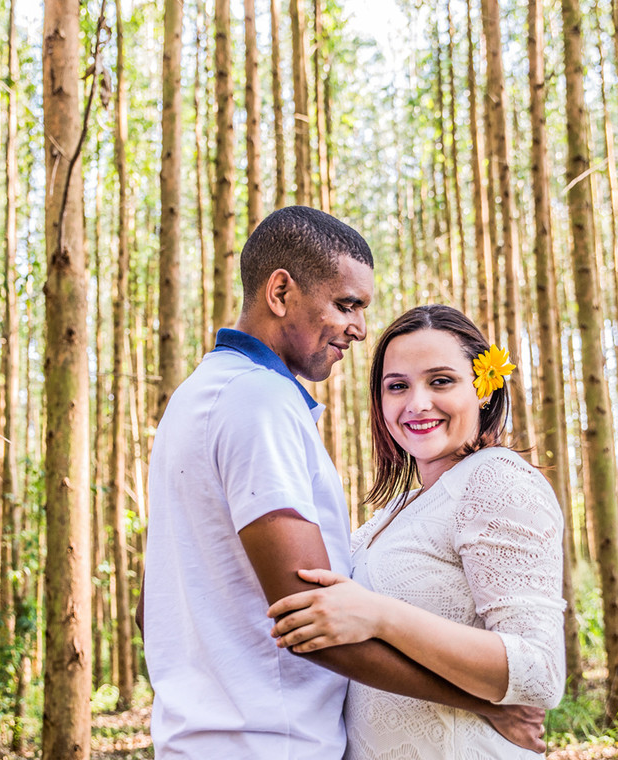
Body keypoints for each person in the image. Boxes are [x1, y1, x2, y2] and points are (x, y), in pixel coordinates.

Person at [138, 208, 546, 758]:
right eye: (346, 305)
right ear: (280, 291)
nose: (358, 327)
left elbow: (150, 605)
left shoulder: (193, 398)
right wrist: (481, 700)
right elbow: (310, 615)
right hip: (269, 746)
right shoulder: (258, 401)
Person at [267, 304, 566, 759]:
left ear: (483, 389)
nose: (417, 403)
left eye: (440, 381)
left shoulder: (496, 479)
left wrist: (380, 615)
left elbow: (540, 672)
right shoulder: (398, 507)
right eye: (398, 387)